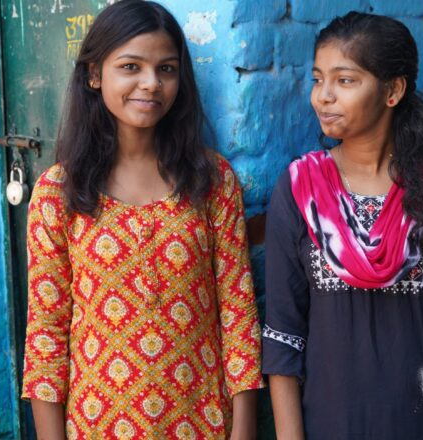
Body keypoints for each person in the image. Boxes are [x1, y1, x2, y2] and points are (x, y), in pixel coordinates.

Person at [21, 1, 264, 438]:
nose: (151, 84)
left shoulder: (211, 180)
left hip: (201, 422)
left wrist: (243, 429)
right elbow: (47, 333)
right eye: (131, 66)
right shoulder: (59, 192)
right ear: (95, 75)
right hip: (98, 425)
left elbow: (237, 311)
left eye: (166, 69)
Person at [262, 12, 423, 440]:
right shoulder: (301, 189)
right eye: (318, 79)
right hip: (329, 426)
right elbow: (284, 331)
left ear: (393, 90)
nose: (323, 97)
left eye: (345, 80)